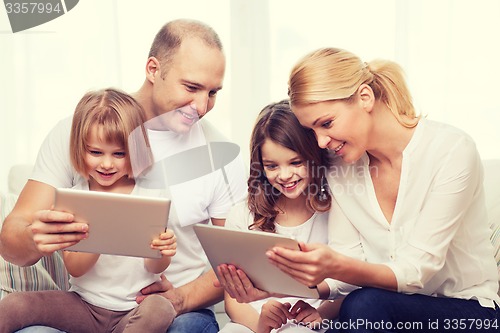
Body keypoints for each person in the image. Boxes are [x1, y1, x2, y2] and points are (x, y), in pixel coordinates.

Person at [0, 19, 247, 333]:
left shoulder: (220, 155)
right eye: (192, 87)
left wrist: (181, 298)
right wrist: (36, 237)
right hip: (88, 303)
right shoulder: (78, 132)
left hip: (176, 310)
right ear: (153, 69)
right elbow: (11, 243)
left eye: (213, 93)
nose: (202, 106)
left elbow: (237, 265)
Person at [260, 47, 500, 332]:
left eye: (326, 123)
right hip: (384, 314)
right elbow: (350, 264)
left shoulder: (451, 151)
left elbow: (416, 271)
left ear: (365, 97)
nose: (321, 141)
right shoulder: (339, 167)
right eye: (312, 130)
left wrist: (334, 265)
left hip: (468, 312)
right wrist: (275, 287)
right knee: (352, 311)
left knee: (363, 305)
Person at [0, 88, 178, 333]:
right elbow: (75, 268)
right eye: (95, 152)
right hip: (83, 306)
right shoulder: (75, 197)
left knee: (161, 308)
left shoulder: (151, 195)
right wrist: (100, 234)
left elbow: (154, 268)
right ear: (79, 149)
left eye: (119, 154)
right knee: (13, 305)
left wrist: (163, 252)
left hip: (132, 309)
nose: (106, 164)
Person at [217, 100, 341, 333]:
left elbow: (346, 286)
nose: (285, 175)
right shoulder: (243, 214)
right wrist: (260, 324)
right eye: (272, 166)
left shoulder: (335, 212)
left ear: (314, 157)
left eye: (295, 162)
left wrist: (321, 313)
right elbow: (232, 297)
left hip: (308, 323)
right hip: (252, 321)